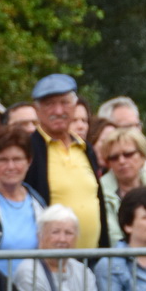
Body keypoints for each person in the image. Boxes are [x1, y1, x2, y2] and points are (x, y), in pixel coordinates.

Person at [26, 73, 107, 249]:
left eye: (64, 103)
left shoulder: (85, 148)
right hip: (52, 261)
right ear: (37, 110)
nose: (58, 111)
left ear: (75, 106)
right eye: (49, 104)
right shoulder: (29, 149)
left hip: (92, 260)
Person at [0, 125, 46, 272]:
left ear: (29, 161)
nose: (11, 166)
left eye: (17, 159)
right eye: (3, 160)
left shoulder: (38, 202)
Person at [94, 125, 146, 239]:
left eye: (128, 154)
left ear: (142, 156)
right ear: (108, 163)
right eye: (114, 157)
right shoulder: (98, 193)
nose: (122, 161)